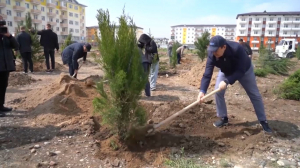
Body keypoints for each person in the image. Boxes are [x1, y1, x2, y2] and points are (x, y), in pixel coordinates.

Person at [197, 35, 272, 133]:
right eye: (212, 50)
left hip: (244, 71)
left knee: (254, 94)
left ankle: (263, 121)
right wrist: (202, 91)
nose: (214, 53)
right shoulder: (212, 54)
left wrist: (227, 81)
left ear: (223, 47)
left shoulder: (237, 49)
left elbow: (240, 71)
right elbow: (207, 74)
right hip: (225, 71)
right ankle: (223, 118)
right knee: (218, 92)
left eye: (216, 50)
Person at [0, 17, 19, 117]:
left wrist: (9, 36)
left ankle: (1, 106)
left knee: (3, 86)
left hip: (5, 66)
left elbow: (16, 45)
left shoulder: (6, 36)